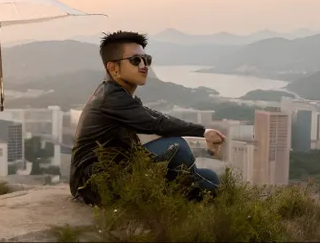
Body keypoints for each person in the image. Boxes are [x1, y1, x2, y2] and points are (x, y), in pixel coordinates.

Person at [70, 31, 227, 205]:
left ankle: (197, 200)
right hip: (95, 184)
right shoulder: (111, 97)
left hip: (114, 174)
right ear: (112, 68)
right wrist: (202, 132)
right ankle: (221, 201)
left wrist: (203, 132)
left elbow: (153, 115)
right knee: (178, 147)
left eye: (147, 60)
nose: (144, 65)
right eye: (135, 60)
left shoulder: (119, 96)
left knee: (209, 175)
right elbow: (156, 123)